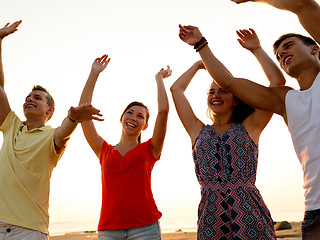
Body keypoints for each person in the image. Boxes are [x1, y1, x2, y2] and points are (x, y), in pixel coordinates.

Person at [179, 0, 320, 238]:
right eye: (278, 54)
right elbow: (230, 83)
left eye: (288, 45)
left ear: (315, 49)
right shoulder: (285, 100)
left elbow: (305, 5)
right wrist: (200, 45)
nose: (282, 53)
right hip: (315, 209)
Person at [0, 21, 103, 240]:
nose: (30, 99)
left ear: (50, 110)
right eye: (28, 97)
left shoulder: (51, 137)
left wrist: (74, 116)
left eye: (37, 98)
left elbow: (66, 128)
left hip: (30, 231)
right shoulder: (11, 126)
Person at [172, 28, 285, 239]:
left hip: (249, 213)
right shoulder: (197, 130)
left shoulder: (250, 126)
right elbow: (176, 90)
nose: (215, 96)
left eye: (223, 90)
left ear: (236, 99)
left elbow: (277, 84)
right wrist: (198, 65)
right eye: (211, 92)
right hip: (211, 218)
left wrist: (257, 50)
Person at [68, 54, 170, 239]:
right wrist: (94, 74)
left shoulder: (151, 149)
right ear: (121, 118)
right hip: (108, 230)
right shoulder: (104, 150)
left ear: (145, 125)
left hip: (146, 227)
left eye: (140, 116)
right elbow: (83, 114)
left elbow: (163, 111)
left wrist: (159, 80)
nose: (133, 117)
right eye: (129, 113)